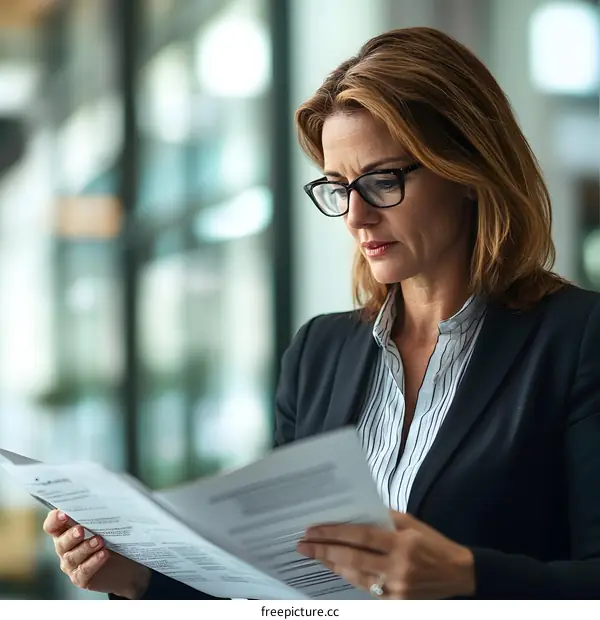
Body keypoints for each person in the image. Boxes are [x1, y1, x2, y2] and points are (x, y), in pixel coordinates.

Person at [42, 26, 600, 600]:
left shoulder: (578, 339)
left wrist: (468, 578)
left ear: (466, 170)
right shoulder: (319, 353)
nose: (356, 216)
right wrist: (136, 577)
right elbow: (279, 581)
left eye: (382, 181)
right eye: (338, 187)